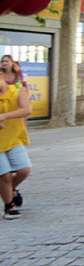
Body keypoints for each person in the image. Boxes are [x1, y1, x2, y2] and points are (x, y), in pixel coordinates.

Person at [0, 70, 32, 219]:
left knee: (24, 170)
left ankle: (10, 189)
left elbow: (27, 110)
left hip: (14, 139)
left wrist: (4, 116)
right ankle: (9, 207)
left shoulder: (17, 91)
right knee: (4, 175)